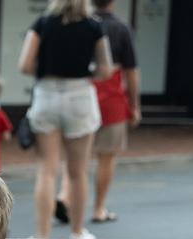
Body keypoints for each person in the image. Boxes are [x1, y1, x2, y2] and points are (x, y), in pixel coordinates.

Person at [19, 0, 112, 239]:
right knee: (77, 172)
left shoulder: (42, 23)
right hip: (80, 95)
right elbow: (106, 69)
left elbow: (25, 64)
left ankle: (42, 236)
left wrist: (46, 68)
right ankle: (77, 231)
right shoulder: (94, 27)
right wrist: (84, 70)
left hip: (46, 95)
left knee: (46, 171)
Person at [57, 0, 138, 225]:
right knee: (106, 156)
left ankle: (64, 196)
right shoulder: (121, 28)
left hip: (80, 92)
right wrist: (135, 105)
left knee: (75, 153)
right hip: (111, 98)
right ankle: (99, 208)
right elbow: (131, 71)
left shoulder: (79, 24)